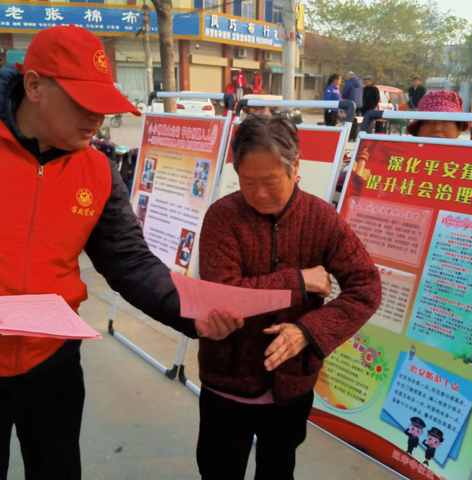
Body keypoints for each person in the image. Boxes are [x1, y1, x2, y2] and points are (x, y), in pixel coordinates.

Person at [0, 26, 241, 479]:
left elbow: (130, 261)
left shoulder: (97, 170)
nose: (96, 121)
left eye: (104, 109)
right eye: (83, 104)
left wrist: (193, 313)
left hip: (52, 362)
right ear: (34, 86)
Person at [197, 114, 382, 480]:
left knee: (279, 471)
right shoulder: (223, 217)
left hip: (291, 387)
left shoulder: (322, 218)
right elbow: (225, 295)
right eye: (247, 182)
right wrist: (298, 281)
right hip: (227, 383)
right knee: (218, 470)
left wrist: (307, 332)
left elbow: (366, 287)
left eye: (270, 182)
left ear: (295, 167)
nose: (259, 194)